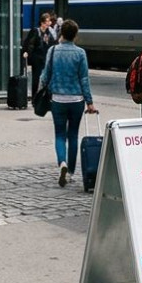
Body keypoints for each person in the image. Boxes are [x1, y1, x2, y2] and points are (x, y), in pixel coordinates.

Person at [44, 19, 97, 188]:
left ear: (61, 33)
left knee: (59, 134)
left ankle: (62, 163)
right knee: (73, 135)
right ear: (75, 35)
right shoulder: (80, 53)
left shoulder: (53, 51)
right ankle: (72, 172)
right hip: (76, 100)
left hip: (58, 99)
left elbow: (45, 75)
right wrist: (89, 102)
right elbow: (84, 79)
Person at [21, 11, 56, 97]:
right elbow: (30, 43)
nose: (49, 23)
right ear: (42, 22)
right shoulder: (36, 31)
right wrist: (27, 52)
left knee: (47, 78)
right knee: (36, 78)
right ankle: (35, 96)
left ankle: (45, 96)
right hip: (37, 58)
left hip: (46, 57)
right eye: (47, 22)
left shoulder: (49, 32)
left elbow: (53, 43)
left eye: (49, 21)